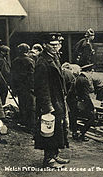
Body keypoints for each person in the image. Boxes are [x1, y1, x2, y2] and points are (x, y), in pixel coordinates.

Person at [34, 33, 70, 168]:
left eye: (57, 45)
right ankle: (48, 159)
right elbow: (41, 87)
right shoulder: (42, 62)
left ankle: (54, 154)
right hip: (50, 101)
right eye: (52, 45)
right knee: (49, 130)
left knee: (58, 129)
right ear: (44, 45)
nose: (56, 47)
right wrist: (47, 106)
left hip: (57, 99)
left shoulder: (54, 57)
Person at [11, 43, 36, 133]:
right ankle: (31, 126)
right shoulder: (30, 61)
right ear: (27, 50)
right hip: (29, 87)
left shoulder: (15, 61)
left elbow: (13, 76)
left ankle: (24, 122)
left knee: (22, 104)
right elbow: (32, 75)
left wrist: (14, 88)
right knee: (31, 106)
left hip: (20, 87)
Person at [67, 64, 95, 142]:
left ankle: (75, 133)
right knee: (91, 117)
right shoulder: (84, 80)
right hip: (79, 102)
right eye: (91, 72)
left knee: (73, 117)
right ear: (88, 72)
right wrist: (91, 107)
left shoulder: (77, 78)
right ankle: (82, 134)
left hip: (71, 101)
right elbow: (86, 96)